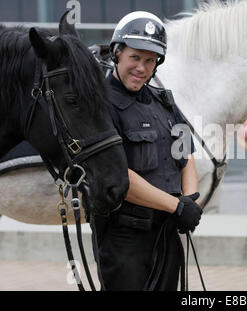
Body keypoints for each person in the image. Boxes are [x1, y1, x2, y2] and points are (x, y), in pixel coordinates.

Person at [90, 11, 202, 291]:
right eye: (135, 57)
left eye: (150, 60)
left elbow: (184, 153)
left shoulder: (163, 102)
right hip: (125, 238)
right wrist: (177, 206)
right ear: (117, 53)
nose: (142, 67)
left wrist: (189, 202)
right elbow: (117, 175)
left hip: (166, 233)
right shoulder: (100, 105)